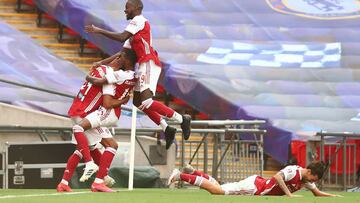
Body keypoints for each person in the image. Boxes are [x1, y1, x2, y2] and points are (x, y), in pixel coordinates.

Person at [84, 0, 191, 150]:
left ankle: (181, 119)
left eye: (128, 7)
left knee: (146, 101)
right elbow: (122, 53)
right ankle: (167, 128)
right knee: (138, 103)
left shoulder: (139, 20)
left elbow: (121, 37)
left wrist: (98, 30)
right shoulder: (133, 34)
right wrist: (101, 62)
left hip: (148, 63)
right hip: (142, 65)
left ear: (137, 8)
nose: (125, 10)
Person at [57, 50, 137, 192]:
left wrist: (92, 72)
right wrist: (123, 100)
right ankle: (96, 173)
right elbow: (107, 101)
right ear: (119, 60)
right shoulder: (110, 75)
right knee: (110, 144)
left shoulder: (98, 68)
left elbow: (100, 67)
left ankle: (64, 182)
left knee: (83, 148)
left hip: (75, 109)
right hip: (85, 112)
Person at [168, 161, 341, 197]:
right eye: (315, 178)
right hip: (255, 188)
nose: (314, 182)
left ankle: (193, 171)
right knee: (217, 191)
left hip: (254, 183)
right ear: (310, 171)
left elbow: (317, 193)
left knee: (219, 187)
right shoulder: (293, 171)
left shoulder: (305, 179)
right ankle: (180, 176)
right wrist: (289, 194)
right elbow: (277, 177)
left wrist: (333, 197)